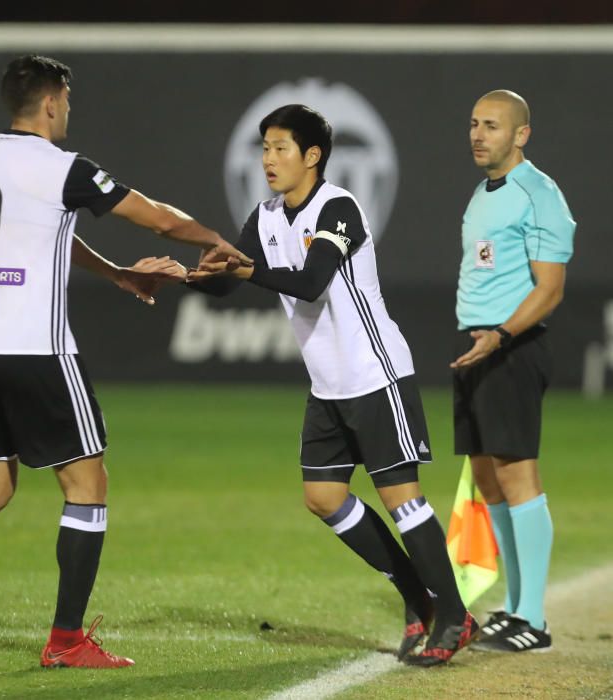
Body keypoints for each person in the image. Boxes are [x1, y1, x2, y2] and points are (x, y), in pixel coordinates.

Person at [0, 54, 251, 671]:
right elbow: (158, 220)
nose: (69, 111)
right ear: (52, 102)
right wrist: (220, 245)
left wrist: (114, 274)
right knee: (88, 485)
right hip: (36, 351)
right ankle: (67, 638)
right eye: (68, 101)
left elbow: (41, 232)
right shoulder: (61, 168)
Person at [188, 104, 476, 666]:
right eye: (264, 148)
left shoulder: (337, 207)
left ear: (312, 156)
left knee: (404, 502)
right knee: (323, 499)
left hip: (376, 375)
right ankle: (414, 596)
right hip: (328, 386)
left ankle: (456, 615)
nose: (268, 159)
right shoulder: (267, 214)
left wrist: (243, 269)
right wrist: (183, 276)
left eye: (280, 148)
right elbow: (228, 283)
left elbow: (313, 281)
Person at [451, 90, 575, 652]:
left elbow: (549, 289)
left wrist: (501, 335)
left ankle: (534, 618)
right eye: (475, 124)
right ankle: (514, 605)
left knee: (518, 475)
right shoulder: (482, 193)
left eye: (492, 126)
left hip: (513, 347)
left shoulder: (540, 193)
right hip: (478, 344)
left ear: (521, 134)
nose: (479, 134)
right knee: (486, 474)